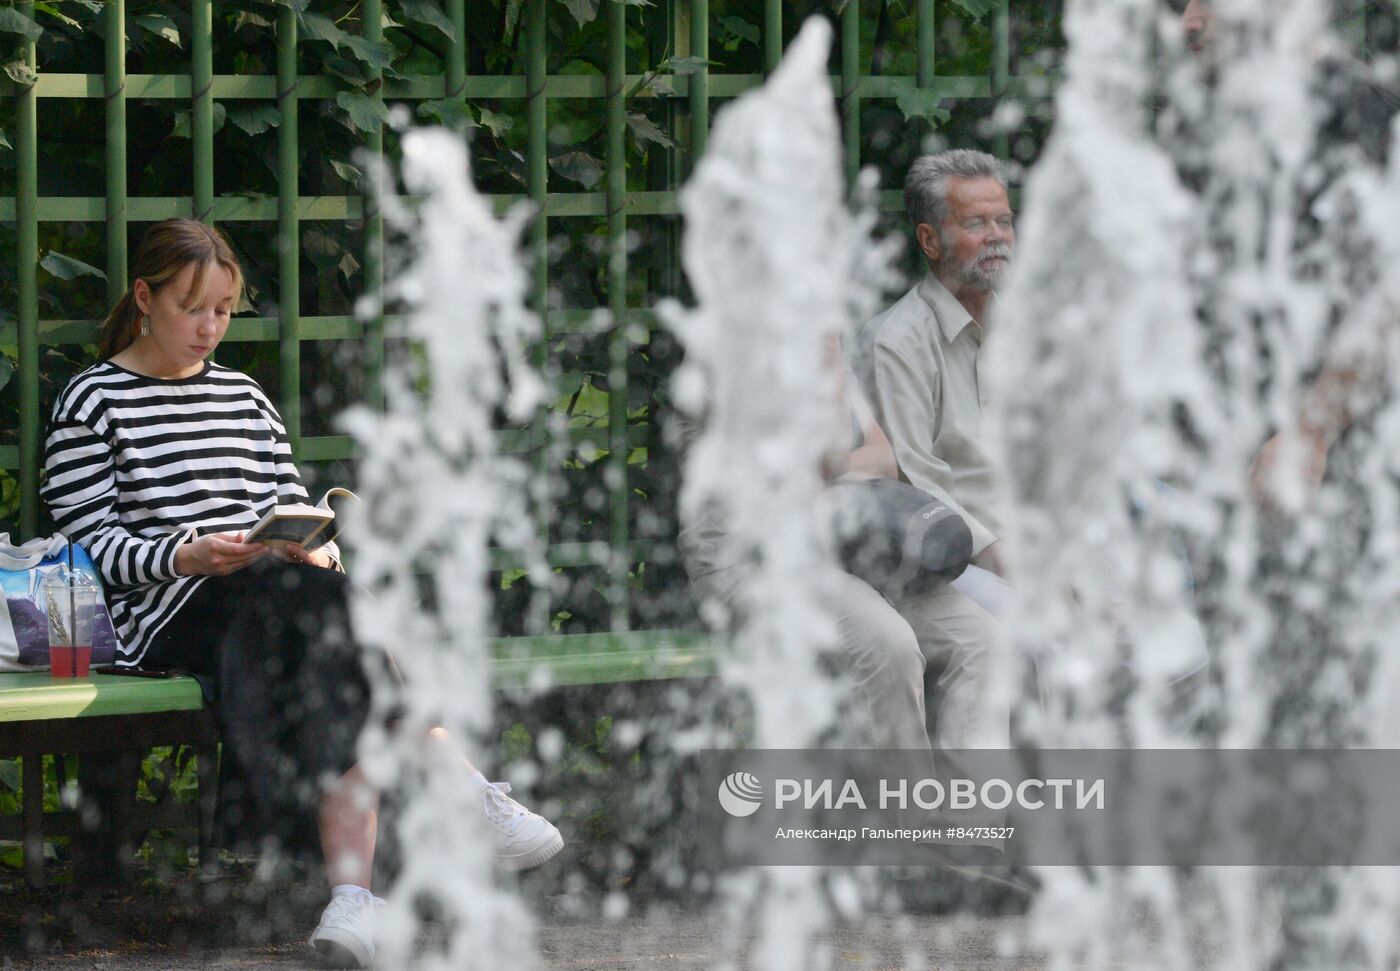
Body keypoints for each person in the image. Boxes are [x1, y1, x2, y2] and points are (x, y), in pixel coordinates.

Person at [40, 219, 562, 969]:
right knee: (335, 618)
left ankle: (356, 901)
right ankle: (458, 787)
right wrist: (186, 553)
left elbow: (293, 504)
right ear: (144, 297)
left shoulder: (246, 397)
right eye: (193, 308)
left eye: (222, 310)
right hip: (167, 611)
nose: (209, 327)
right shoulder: (92, 402)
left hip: (275, 598)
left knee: (325, 626)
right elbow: (88, 548)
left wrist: (319, 545)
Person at [852, 149, 1015, 615]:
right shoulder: (896, 343)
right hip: (958, 564)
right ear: (930, 240)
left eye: (1004, 221)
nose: (997, 238)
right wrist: (1010, 560)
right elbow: (917, 486)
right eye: (977, 224)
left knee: (1173, 641)